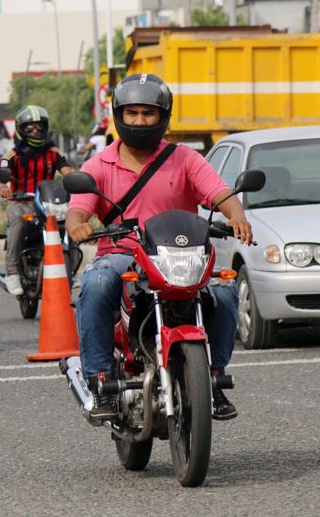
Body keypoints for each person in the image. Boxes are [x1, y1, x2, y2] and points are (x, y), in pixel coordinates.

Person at [66, 73, 253, 422]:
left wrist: (236, 215)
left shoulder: (184, 159)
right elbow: (80, 206)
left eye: (148, 113)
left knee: (226, 293)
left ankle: (212, 379)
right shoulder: (99, 164)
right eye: (132, 112)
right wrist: (77, 223)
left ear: (163, 116)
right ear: (119, 115)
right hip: (123, 257)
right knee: (95, 283)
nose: (139, 120)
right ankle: (101, 379)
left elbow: (220, 194)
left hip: (183, 256)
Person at [0, 106, 73, 297]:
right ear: (21, 129)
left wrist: (76, 182)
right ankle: (12, 272)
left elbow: (68, 173)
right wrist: (4, 188)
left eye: (39, 127)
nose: (35, 131)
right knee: (19, 223)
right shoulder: (12, 155)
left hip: (49, 203)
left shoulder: (54, 153)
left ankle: (71, 272)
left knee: (70, 223)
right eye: (30, 128)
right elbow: (0, 178)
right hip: (21, 202)